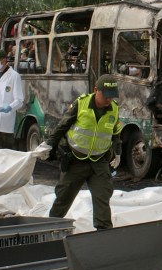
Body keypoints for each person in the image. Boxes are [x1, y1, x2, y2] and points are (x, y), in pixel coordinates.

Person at [34, 75, 123, 230]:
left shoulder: (114, 109)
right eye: (106, 96)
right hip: (76, 160)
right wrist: (49, 143)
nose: (109, 100)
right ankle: (50, 229)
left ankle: (104, 235)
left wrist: (118, 153)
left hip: (99, 162)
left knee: (103, 197)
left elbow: (116, 134)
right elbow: (63, 126)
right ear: (96, 90)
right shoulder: (81, 104)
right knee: (63, 198)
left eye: (111, 96)